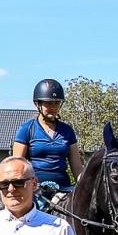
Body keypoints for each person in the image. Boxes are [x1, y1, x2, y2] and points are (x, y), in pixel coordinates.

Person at [12, 79, 85, 209]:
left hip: (63, 189)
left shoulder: (67, 131)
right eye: (49, 103)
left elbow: (77, 168)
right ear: (38, 104)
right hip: (36, 188)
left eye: (57, 103)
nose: (53, 107)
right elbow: (17, 165)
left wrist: (85, 186)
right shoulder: (26, 130)